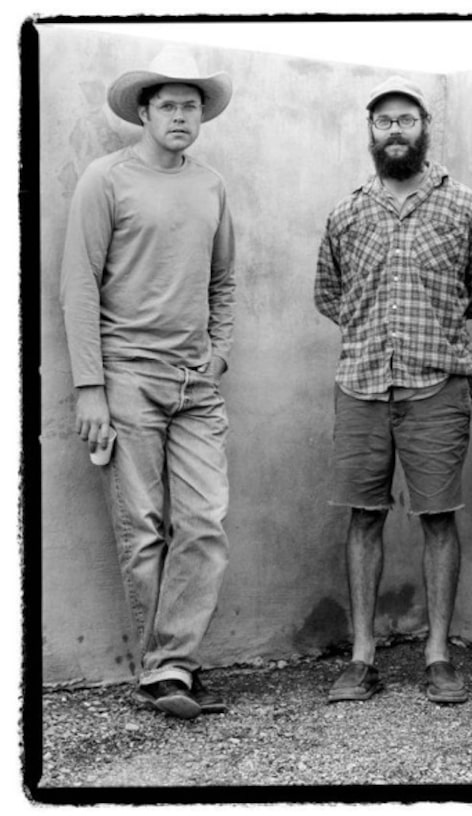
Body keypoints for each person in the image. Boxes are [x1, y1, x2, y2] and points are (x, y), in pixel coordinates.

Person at [60, 47, 236, 719]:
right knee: (144, 528)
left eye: (191, 106)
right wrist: (90, 388)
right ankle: (166, 671)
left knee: (205, 524)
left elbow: (225, 278)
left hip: (197, 384)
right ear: (144, 112)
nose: (181, 117)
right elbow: (79, 286)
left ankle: (172, 664)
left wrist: (219, 351)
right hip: (127, 377)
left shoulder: (212, 184)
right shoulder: (106, 179)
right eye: (169, 105)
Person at [314, 76, 472, 704]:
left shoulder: (466, 207)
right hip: (362, 382)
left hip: (436, 383)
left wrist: (428, 327)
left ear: (426, 127)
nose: (395, 131)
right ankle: (363, 657)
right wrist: (375, 330)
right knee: (363, 517)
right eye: (383, 122)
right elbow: (328, 294)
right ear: (370, 133)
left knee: (438, 517)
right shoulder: (346, 211)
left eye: (407, 120)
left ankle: (438, 655)